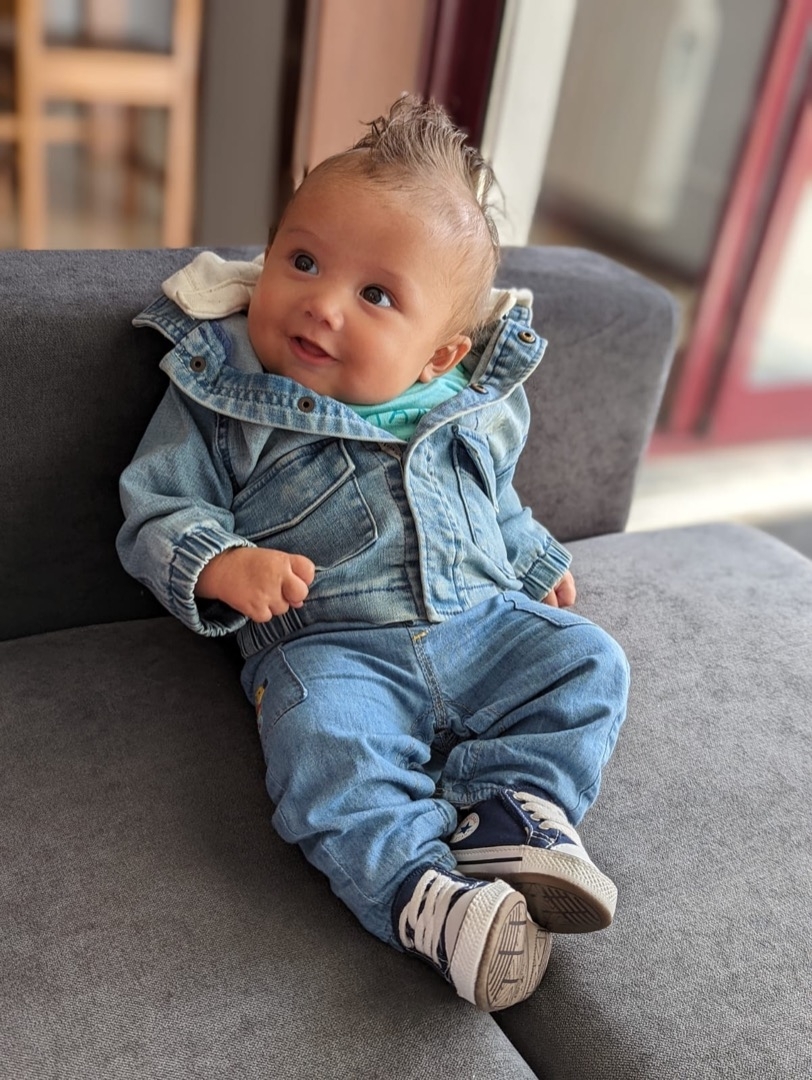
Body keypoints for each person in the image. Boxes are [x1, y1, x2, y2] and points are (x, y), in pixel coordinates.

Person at [117, 95, 629, 1012]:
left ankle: (511, 809)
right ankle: (425, 897)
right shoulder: (223, 393)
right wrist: (221, 563)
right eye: (303, 261)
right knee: (324, 746)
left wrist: (531, 557)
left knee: (590, 663)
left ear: (440, 357)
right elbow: (157, 506)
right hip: (333, 649)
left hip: (480, 624)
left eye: (376, 295)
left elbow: (496, 500)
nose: (320, 303)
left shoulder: (471, 405)